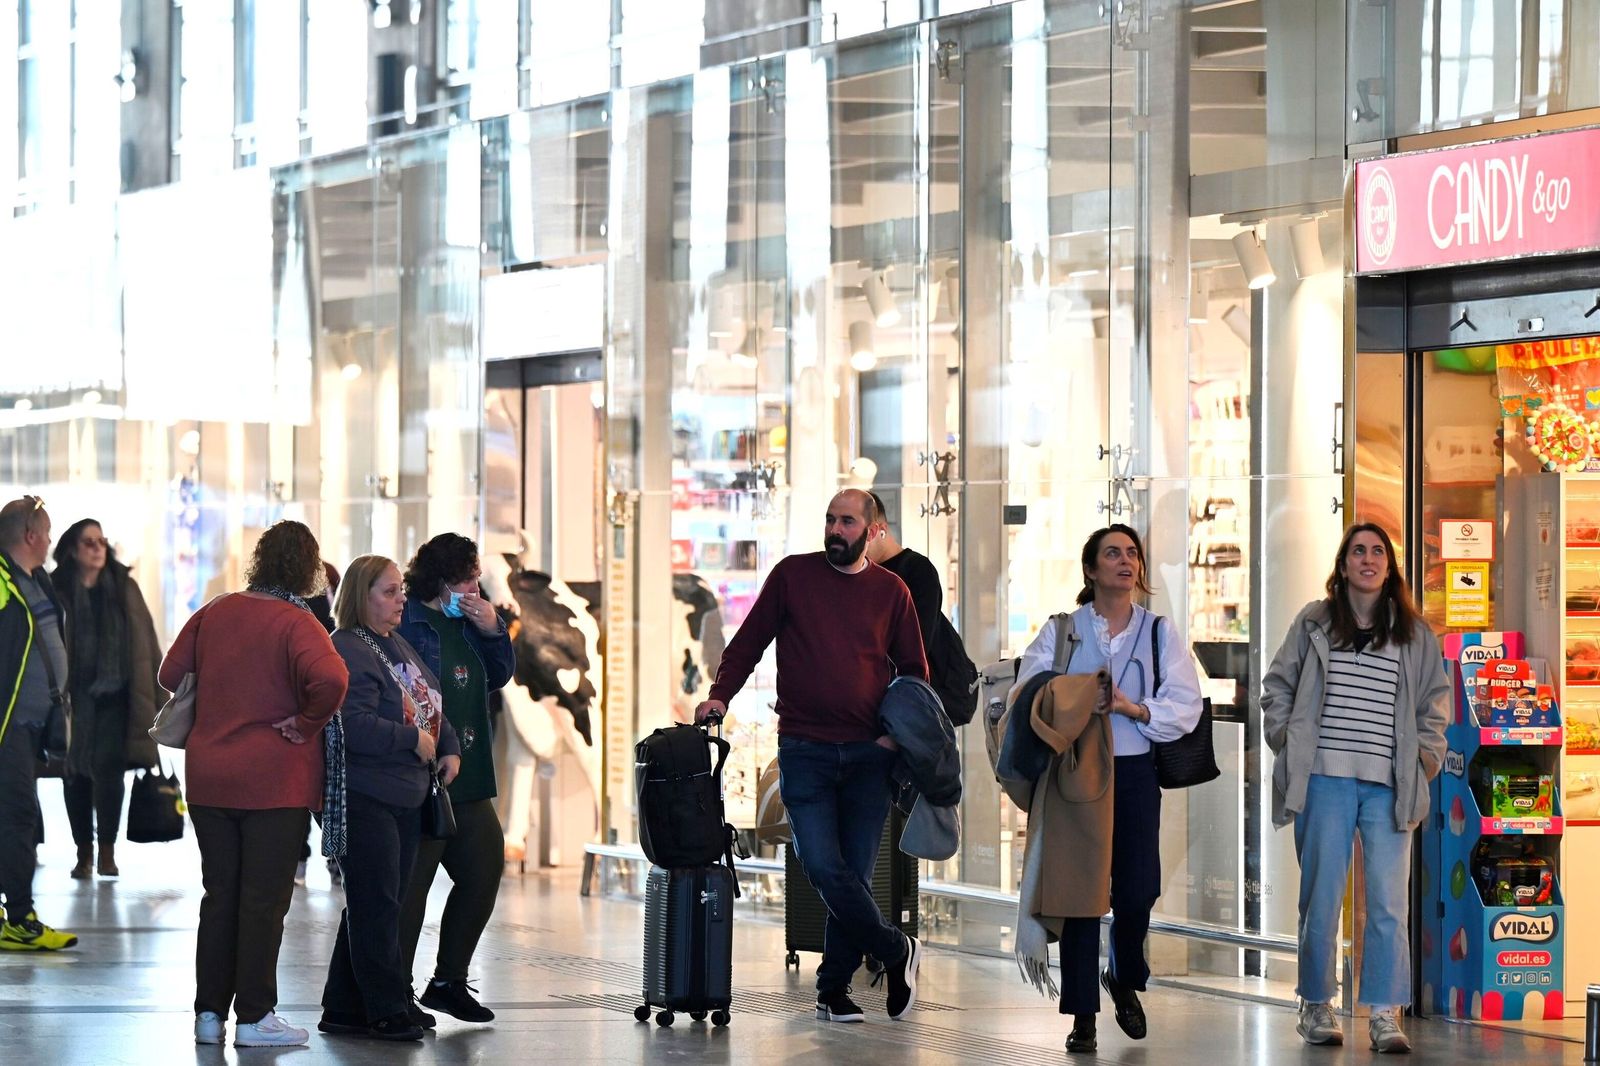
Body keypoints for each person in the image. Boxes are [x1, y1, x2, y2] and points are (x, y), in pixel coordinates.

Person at [694, 488, 928, 1024]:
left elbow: (915, 670)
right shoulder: (792, 577)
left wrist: (893, 738)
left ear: (871, 532)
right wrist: (720, 695)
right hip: (805, 749)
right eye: (830, 519)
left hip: (870, 756)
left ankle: (832, 989)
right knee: (824, 866)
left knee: (854, 876)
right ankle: (897, 950)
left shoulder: (892, 591)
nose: (835, 530)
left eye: (847, 521)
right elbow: (748, 642)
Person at [1012, 524, 1203, 1054]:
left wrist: (1130, 707)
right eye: (1113, 553)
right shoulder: (1062, 630)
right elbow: (1032, 692)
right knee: (1080, 897)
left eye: (1133, 554)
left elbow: (1185, 705)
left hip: (1137, 772)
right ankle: (1083, 1015)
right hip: (1076, 775)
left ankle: (1123, 973)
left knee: (1138, 888)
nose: (1126, 561)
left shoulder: (1160, 632)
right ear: (1091, 569)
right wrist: (1078, 696)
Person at [159, 519, 348, 1047]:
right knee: (263, 901)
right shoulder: (299, 622)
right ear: (308, 567)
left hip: (210, 778)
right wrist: (306, 722)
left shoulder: (215, 610)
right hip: (275, 781)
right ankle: (256, 1018)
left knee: (219, 895)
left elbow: (169, 675)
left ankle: (208, 1015)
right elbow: (332, 681)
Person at [1262, 523, 1448, 1055]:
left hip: (1390, 786)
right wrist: (1290, 741)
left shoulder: (1414, 633)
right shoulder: (1314, 621)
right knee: (1320, 899)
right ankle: (1316, 1003)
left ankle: (1386, 1014)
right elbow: (1278, 686)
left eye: (1378, 552)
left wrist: (1424, 760)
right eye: (1358, 551)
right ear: (1343, 565)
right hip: (1324, 779)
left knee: (1389, 904)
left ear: (1389, 567)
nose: (1368, 559)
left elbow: (1435, 703)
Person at [319, 555, 461, 1043]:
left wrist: (449, 747)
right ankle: (384, 1008)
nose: (401, 598)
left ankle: (342, 1007)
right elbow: (350, 726)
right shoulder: (347, 648)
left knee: (375, 903)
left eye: (401, 590)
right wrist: (410, 741)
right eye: (389, 591)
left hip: (406, 793)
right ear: (361, 596)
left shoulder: (392, 641)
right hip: (367, 794)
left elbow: (430, 699)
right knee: (377, 905)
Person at [395, 534, 514, 1023]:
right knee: (411, 888)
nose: (474, 586)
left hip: (470, 775)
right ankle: (392, 991)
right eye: (467, 577)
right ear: (441, 578)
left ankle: (448, 979)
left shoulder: (468, 619)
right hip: (425, 776)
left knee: (484, 871)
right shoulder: (408, 621)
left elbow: (501, 675)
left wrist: (493, 629)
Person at [50, 519, 166, 880]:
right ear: (72, 549)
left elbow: (146, 641)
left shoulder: (123, 587)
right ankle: (83, 851)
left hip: (117, 695)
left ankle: (107, 851)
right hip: (74, 699)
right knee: (74, 774)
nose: (98, 548)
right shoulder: (57, 589)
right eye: (89, 542)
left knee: (111, 772)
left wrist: (159, 693)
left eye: (101, 541)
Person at [0, 496, 78, 952]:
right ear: (30, 536)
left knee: (16, 816)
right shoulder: (4, 582)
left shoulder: (37, 580)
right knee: (17, 817)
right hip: (7, 724)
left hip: (31, 725)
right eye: (47, 533)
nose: (50, 540)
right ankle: (20, 918)